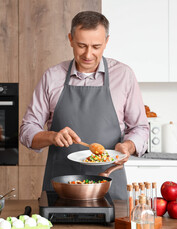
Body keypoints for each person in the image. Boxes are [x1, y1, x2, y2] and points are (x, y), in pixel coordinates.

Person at [19, 11, 149, 200]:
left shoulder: (124, 76)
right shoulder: (52, 77)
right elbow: (26, 130)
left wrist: (128, 146)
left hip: (109, 184)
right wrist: (52, 136)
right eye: (81, 46)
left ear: (106, 41)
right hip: (61, 186)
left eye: (96, 46)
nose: (88, 54)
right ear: (70, 39)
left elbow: (140, 128)